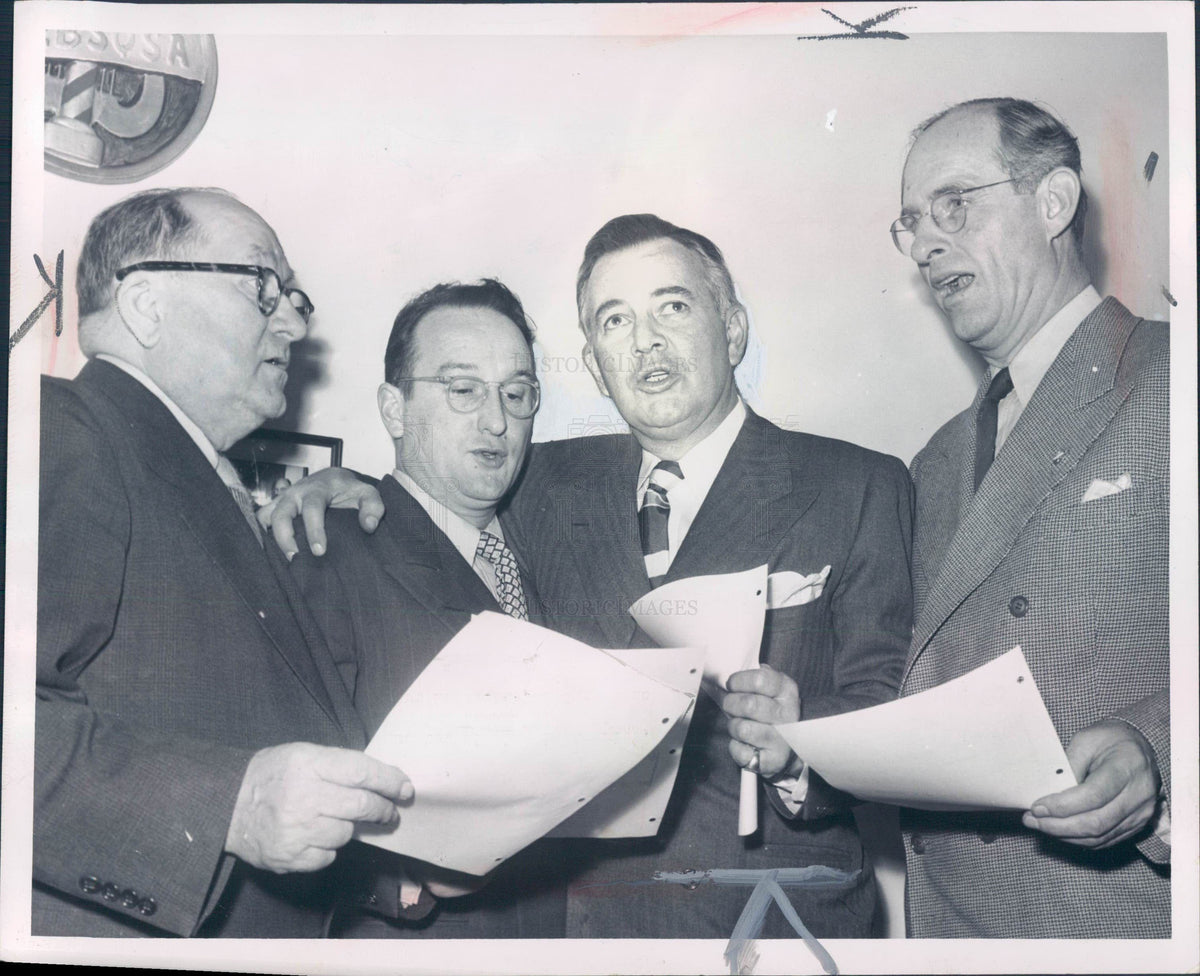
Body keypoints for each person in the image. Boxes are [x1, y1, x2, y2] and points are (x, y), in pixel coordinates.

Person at [266, 214, 914, 939]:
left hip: (771, 926)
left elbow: (887, 705)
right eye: (615, 321)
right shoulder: (542, 481)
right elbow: (435, 485)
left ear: (732, 329)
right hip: (577, 938)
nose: (645, 342)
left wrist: (803, 747)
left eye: (672, 307)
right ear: (596, 364)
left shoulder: (857, 484)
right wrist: (338, 488)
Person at [36, 188, 413, 937]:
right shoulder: (66, 428)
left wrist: (392, 871)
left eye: (295, 296)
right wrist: (228, 804)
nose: (297, 322)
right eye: (261, 286)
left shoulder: (207, 484)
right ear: (145, 302)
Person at [891, 98, 1169, 937]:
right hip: (952, 926)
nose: (929, 242)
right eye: (911, 224)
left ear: (1053, 203)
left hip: (1109, 918)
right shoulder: (934, 462)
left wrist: (1161, 755)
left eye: (955, 205)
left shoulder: (1173, 379)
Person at [288, 280, 567, 938]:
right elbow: (272, 784)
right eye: (463, 389)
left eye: (517, 393)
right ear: (394, 408)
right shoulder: (332, 551)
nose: (497, 420)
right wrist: (398, 876)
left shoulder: (551, 556)